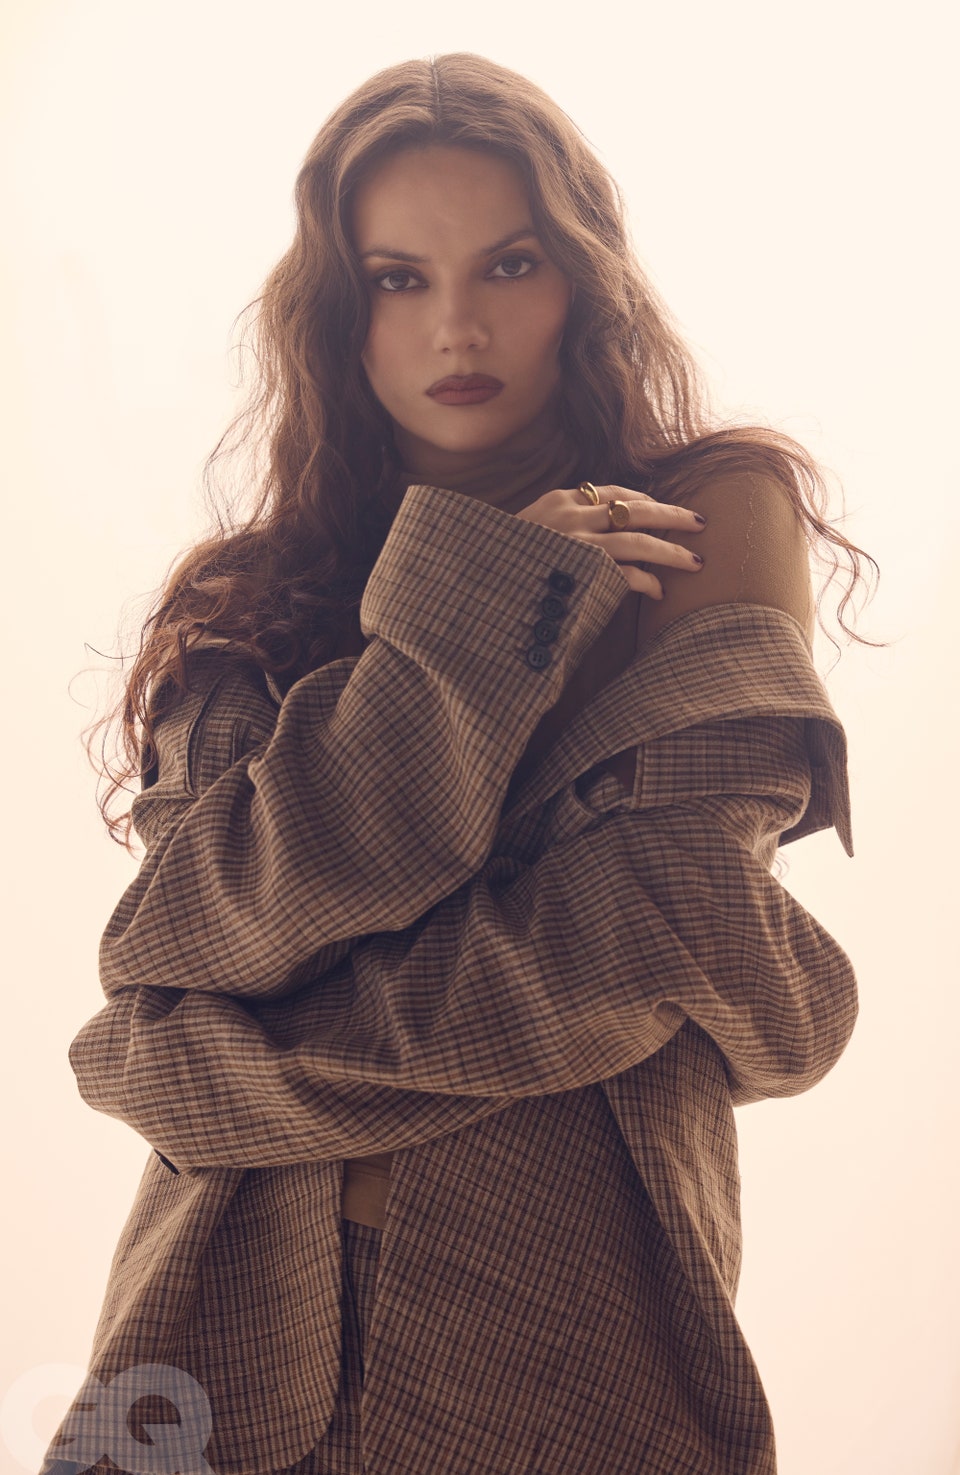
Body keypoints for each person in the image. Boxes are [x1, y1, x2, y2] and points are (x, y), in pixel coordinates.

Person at [44, 52, 875, 1475]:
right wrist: (473, 607)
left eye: (511, 263)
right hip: (204, 1342)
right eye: (398, 278)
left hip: (569, 1339)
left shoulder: (707, 516)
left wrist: (199, 1066)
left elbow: (660, 914)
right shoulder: (252, 596)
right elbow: (191, 931)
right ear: (339, 310)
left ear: (584, 280)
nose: (459, 325)